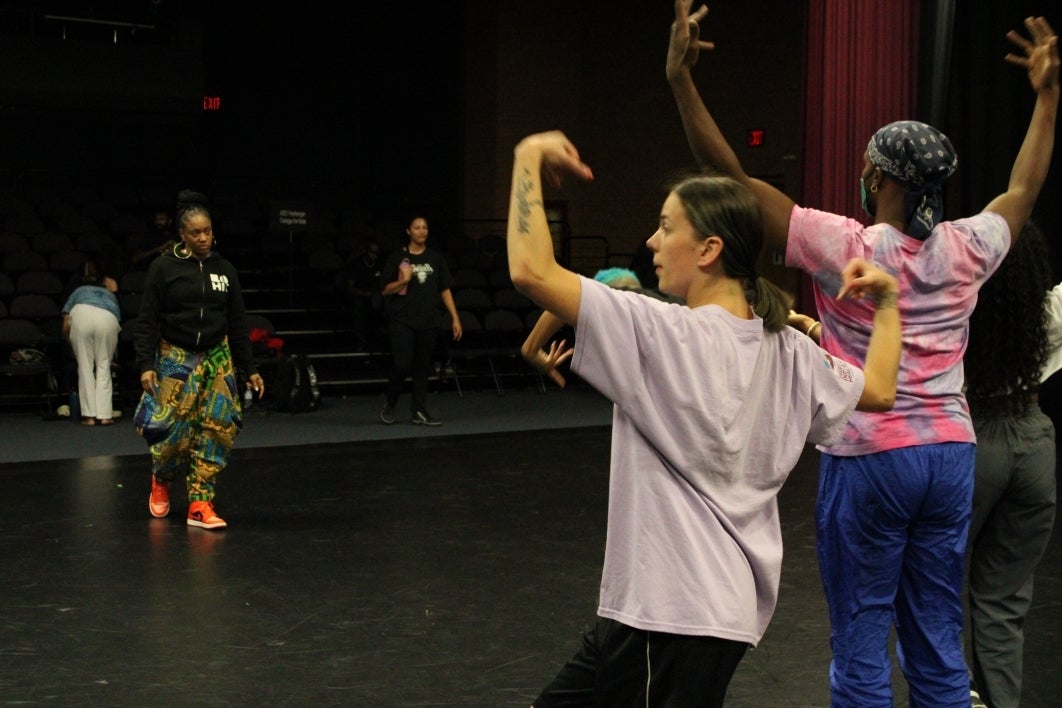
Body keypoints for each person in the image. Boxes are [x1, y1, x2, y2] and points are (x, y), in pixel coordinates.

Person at [666, 4, 1059, 705]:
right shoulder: (968, 248)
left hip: (872, 456)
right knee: (937, 637)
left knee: (860, 633)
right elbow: (1024, 190)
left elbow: (729, 180)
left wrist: (682, 81)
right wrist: (1048, 96)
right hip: (951, 454)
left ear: (880, 178)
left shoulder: (843, 246)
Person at [509, 130, 901, 707]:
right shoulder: (789, 352)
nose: (651, 241)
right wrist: (887, 306)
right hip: (705, 614)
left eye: (666, 228)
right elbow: (880, 390)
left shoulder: (662, 332)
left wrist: (525, 157)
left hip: (667, 614)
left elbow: (531, 271)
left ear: (709, 249)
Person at [963, 219, 1059, 708]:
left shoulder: (959, 310)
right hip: (1034, 442)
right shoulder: (1051, 313)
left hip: (973, 442)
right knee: (1003, 598)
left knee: (933, 585)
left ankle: (949, 696)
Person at [132, 190, 264, 531]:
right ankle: (161, 478)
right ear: (182, 235)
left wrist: (250, 369)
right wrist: (146, 363)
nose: (203, 237)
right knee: (173, 430)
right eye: (195, 233)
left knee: (217, 428)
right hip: (176, 354)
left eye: (207, 231)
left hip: (217, 355)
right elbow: (147, 319)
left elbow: (237, 322)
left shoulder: (225, 270)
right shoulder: (164, 268)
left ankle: (200, 502)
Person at [378, 215, 462, 426]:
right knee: (402, 365)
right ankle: (390, 403)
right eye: (417, 228)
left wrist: (455, 317)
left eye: (425, 227)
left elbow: (444, 289)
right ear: (409, 231)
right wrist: (404, 280)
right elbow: (385, 289)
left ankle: (419, 410)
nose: (422, 231)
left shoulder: (436, 258)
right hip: (402, 320)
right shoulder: (398, 257)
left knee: (422, 368)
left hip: (429, 320)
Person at [60, 260, 122, 426]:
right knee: (104, 365)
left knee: (85, 366)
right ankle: (105, 416)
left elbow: (66, 323)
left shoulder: (77, 291)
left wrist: (71, 343)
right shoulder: (110, 294)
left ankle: (89, 416)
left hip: (82, 315)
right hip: (108, 318)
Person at [344, 235, 384, 351]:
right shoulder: (355, 264)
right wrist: (363, 293)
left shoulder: (380, 264)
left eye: (377, 252)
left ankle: (378, 340)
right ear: (366, 251)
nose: (374, 255)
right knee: (359, 308)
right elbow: (350, 287)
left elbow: (382, 283)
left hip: (374, 295)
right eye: (372, 252)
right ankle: (361, 342)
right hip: (358, 294)